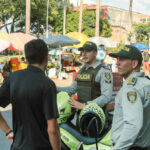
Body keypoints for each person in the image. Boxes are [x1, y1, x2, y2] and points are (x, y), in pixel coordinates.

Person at [0, 39, 61, 150]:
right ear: (47, 57)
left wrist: (7, 131)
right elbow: (52, 129)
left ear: (26, 58)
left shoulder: (13, 78)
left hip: (17, 147)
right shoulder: (47, 84)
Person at [109, 45, 150, 150]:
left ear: (134, 64)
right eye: (117, 59)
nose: (117, 63)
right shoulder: (146, 84)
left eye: (122, 59)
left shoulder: (131, 88)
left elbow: (133, 125)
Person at [57, 41, 113, 111]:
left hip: (96, 117)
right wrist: (53, 87)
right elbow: (71, 89)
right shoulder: (81, 70)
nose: (84, 54)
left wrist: (85, 105)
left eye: (88, 51)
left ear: (95, 53)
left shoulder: (103, 71)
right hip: (80, 115)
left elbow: (106, 97)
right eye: (83, 51)